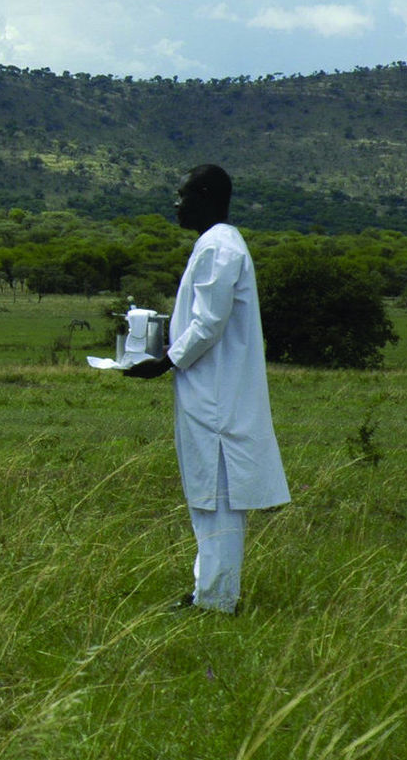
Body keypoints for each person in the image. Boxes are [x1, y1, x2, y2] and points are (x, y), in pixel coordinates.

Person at [124, 164, 289, 612]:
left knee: (215, 499)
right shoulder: (217, 243)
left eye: (182, 196)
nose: (176, 205)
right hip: (209, 392)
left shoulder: (217, 245)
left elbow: (209, 322)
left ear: (204, 194)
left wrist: (164, 362)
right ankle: (207, 589)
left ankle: (217, 600)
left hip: (215, 397)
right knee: (207, 496)